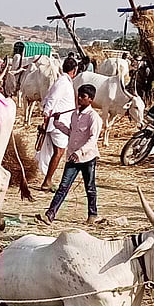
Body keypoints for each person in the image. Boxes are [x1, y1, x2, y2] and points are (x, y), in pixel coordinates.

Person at [37, 84, 102, 225]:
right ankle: (50, 214)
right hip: (73, 157)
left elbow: (93, 140)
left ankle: (92, 215)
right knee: (63, 187)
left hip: (87, 158)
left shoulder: (94, 117)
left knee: (90, 188)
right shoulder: (75, 114)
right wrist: (57, 122)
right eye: (79, 95)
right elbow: (70, 133)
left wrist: (79, 152)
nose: (79, 98)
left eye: (83, 96)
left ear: (91, 99)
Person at [37, 57, 81, 191]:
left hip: (60, 121)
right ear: (74, 70)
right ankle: (47, 181)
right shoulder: (63, 83)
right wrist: (46, 115)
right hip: (58, 122)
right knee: (59, 151)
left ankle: (48, 178)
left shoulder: (63, 81)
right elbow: (51, 99)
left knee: (55, 151)